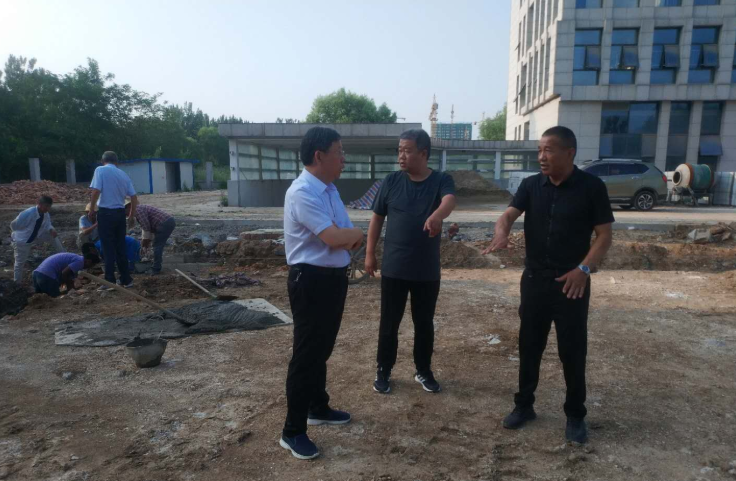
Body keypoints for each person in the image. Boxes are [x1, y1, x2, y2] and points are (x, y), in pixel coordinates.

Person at [482, 126, 614, 444]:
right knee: (529, 346)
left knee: (572, 351)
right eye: (539, 150)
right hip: (535, 281)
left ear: (570, 153)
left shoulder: (591, 187)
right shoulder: (531, 185)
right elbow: (508, 215)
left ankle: (575, 415)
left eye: (549, 150)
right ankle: (524, 406)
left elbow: (604, 235)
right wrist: (502, 230)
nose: (541, 156)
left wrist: (583, 269)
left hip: (572, 283)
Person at [280, 126, 364, 460]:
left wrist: (349, 235)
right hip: (310, 280)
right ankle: (292, 431)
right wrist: (354, 234)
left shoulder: (329, 190)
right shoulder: (302, 192)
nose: (344, 159)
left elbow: (345, 236)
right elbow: (334, 237)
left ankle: (318, 406)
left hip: (332, 279)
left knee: (322, 349)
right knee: (306, 354)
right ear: (319, 156)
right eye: (339, 152)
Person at [365, 129, 456, 394]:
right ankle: (383, 369)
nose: (401, 156)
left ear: (423, 153)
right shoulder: (391, 181)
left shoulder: (441, 180)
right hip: (394, 268)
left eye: (407, 150)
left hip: (426, 270)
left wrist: (437, 215)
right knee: (389, 323)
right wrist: (370, 253)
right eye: (399, 150)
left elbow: (449, 200)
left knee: (424, 323)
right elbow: (377, 218)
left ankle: (423, 370)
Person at [89, 151, 139, 290]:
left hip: (106, 213)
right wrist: (131, 216)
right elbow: (134, 197)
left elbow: (96, 191)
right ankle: (126, 279)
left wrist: (92, 209)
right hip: (120, 214)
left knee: (108, 248)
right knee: (120, 247)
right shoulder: (123, 174)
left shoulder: (100, 170)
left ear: (102, 161)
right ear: (116, 162)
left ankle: (109, 281)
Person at [10, 196, 65, 283]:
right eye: (46, 206)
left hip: (36, 236)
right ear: (39, 204)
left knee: (53, 236)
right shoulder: (28, 213)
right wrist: (22, 233)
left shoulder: (45, 214)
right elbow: (14, 225)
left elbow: (47, 224)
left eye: (49, 206)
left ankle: (64, 255)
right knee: (19, 263)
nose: (48, 209)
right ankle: (17, 283)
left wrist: (51, 229)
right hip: (22, 241)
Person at [32, 243, 101, 298]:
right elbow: (64, 273)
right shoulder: (80, 262)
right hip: (47, 276)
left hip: (36, 274)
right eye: (92, 265)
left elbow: (68, 277)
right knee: (55, 301)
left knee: (40, 300)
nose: (90, 267)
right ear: (89, 261)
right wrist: (70, 288)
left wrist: (71, 290)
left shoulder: (75, 258)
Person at [126, 202, 175, 275]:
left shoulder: (138, 211)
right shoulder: (139, 209)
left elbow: (146, 227)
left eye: (125, 212)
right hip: (165, 222)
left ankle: (156, 269)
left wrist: (146, 242)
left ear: (129, 207)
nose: (126, 215)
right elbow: (147, 228)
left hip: (164, 223)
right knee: (156, 245)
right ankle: (156, 266)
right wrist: (145, 242)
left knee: (157, 246)